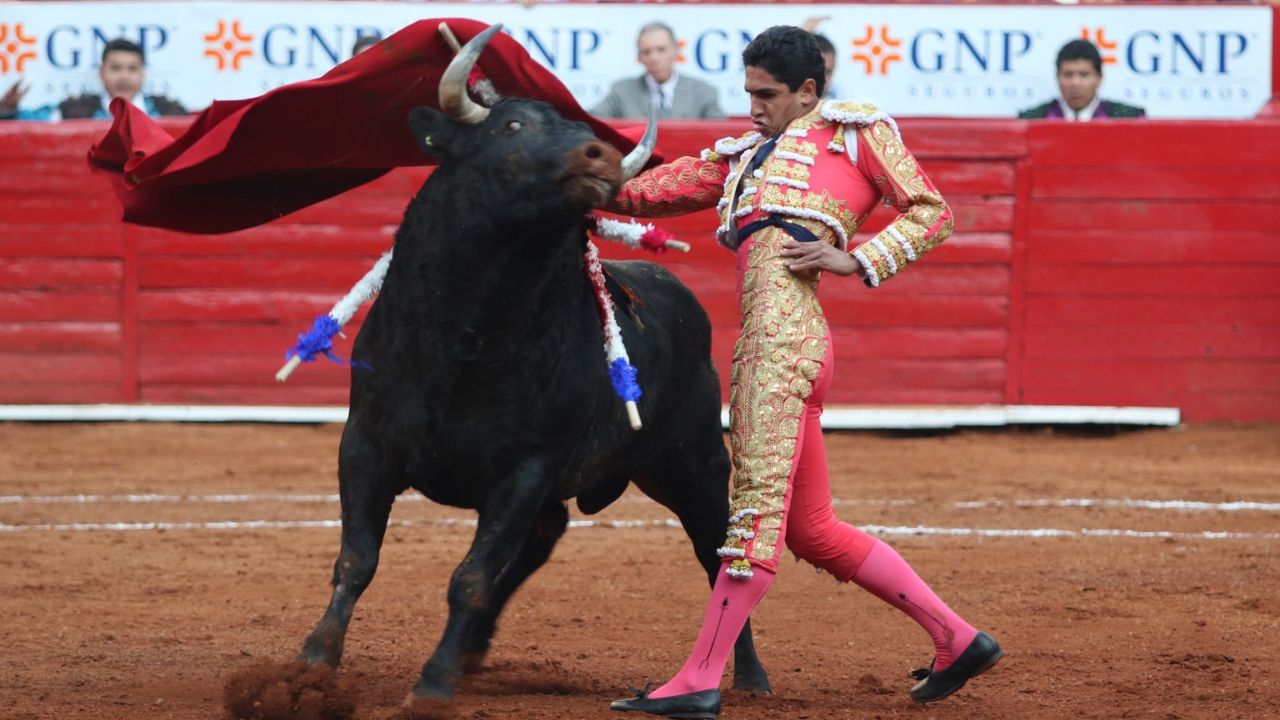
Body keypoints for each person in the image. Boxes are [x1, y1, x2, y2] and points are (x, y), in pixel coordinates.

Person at [606, 25, 1001, 718]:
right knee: (811, 529)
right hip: (780, 347)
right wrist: (577, 180)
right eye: (748, 92)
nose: (753, 106)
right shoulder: (742, 157)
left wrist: (860, 259)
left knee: (752, 510)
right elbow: (643, 194)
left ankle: (700, 678)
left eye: (768, 94)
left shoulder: (854, 131)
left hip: (783, 348)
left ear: (809, 91)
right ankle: (957, 638)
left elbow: (931, 211)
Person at [0, 38, 186, 121]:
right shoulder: (72, 112)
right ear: (101, 72)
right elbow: (28, 125)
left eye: (132, 69)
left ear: (142, 74)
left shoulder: (169, 113)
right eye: (115, 68)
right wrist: (8, 110)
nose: (124, 76)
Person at [592, 22, 724, 119]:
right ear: (639, 57)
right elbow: (593, 119)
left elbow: (720, 138)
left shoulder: (704, 93)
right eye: (646, 52)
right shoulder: (622, 91)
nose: (654, 58)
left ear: (676, 51)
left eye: (661, 49)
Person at [1019, 39, 1144, 120]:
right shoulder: (1032, 119)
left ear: (1099, 77)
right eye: (1068, 75)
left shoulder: (1129, 118)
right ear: (1057, 77)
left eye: (1084, 75)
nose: (1075, 83)